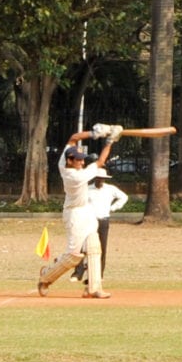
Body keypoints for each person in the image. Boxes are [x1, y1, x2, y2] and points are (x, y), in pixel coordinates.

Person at [37, 126, 119, 298]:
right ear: (70, 161)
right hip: (74, 215)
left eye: (83, 160)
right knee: (74, 256)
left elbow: (73, 137)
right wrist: (110, 142)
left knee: (94, 248)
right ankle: (45, 277)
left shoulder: (63, 160)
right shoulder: (75, 177)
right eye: (79, 161)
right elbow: (100, 163)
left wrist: (94, 133)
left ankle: (94, 288)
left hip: (86, 211)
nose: (82, 163)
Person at [75, 162, 129, 299]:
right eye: (98, 178)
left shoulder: (110, 189)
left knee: (102, 249)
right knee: (83, 246)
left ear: (105, 179)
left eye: (102, 178)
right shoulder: (88, 189)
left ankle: (97, 277)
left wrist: (114, 208)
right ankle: (79, 271)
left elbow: (124, 197)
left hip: (104, 220)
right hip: (90, 220)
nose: (100, 180)